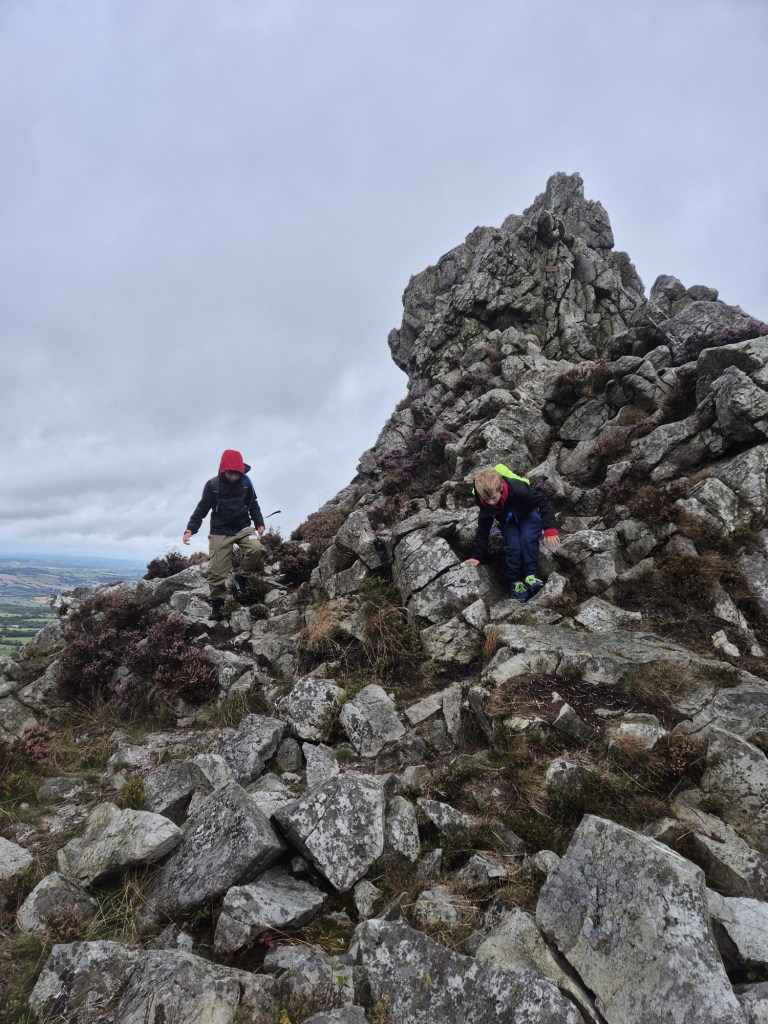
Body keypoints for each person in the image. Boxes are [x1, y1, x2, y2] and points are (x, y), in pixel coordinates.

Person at [183, 449, 265, 620]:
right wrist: (190, 529)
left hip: (242, 527)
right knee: (216, 571)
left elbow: (253, 504)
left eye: (237, 473)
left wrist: (259, 523)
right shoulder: (212, 486)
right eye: (230, 473)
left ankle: (241, 579)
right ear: (222, 469)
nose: (234, 476)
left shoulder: (246, 482)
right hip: (220, 531)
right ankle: (216, 604)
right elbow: (202, 509)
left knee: (256, 549)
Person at [465, 465, 560, 601]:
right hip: (508, 521)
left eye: (493, 498)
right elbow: (483, 528)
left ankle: (530, 576)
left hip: (528, 515)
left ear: (501, 488)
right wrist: (478, 556)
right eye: (487, 500)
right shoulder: (483, 501)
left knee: (527, 539)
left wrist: (550, 529)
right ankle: (515, 582)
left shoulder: (518, 488)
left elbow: (544, 503)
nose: (490, 503)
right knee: (513, 546)